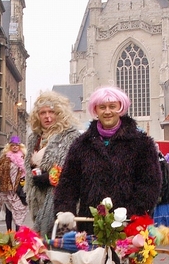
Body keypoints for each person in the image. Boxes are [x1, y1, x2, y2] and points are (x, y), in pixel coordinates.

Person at [53, 86, 162, 233]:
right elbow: (68, 182)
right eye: (102, 107)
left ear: (120, 108)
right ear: (95, 110)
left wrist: (129, 213)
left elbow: (149, 185)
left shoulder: (141, 144)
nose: (107, 111)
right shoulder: (81, 144)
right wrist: (65, 210)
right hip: (89, 226)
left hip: (127, 226)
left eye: (112, 106)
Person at [25, 91, 82, 237]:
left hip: (62, 201)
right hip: (39, 199)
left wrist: (50, 177)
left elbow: (76, 169)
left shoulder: (71, 136)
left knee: (62, 246)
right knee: (45, 247)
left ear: (60, 113)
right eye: (43, 112)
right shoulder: (34, 138)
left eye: (52, 112)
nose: (47, 116)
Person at [0, 135, 29, 232]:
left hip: (19, 188)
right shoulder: (4, 158)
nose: (15, 147)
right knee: (9, 210)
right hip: (7, 188)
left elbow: (29, 170)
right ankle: (9, 231)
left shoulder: (24, 157)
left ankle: (18, 232)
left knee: (18, 210)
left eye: (17, 145)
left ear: (20, 146)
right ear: (9, 147)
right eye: (13, 145)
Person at [152, 152, 169, 227]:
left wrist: (159, 196)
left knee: (162, 225)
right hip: (168, 199)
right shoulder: (162, 163)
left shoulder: (160, 165)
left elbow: (163, 183)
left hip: (163, 201)